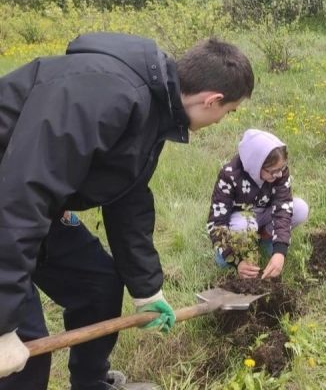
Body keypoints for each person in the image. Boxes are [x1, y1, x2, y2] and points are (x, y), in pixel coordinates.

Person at [0, 34, 254, 389]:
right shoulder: (108, 95)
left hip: (26, 200)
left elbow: (127, 197)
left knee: (98, 284)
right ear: (213, 100)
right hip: (12, 201)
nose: (224, 120)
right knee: (25, 355)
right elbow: (22, 195)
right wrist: (3, 324)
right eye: (230, 112)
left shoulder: (153, 111)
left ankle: (90, 383)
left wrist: (147, 289)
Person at [207, 129, 308, 279]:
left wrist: (280, 251)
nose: (279, 175)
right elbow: (216, 224)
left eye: (281, 169)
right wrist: (237, 261)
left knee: (300, 208)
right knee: (244, 228)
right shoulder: (230, 175)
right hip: (241, 218)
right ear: (255, 165)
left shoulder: (279, 173)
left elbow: (283, 209)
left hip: (266, 214)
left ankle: (266, 239)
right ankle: (234, 252)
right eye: (273, 171)